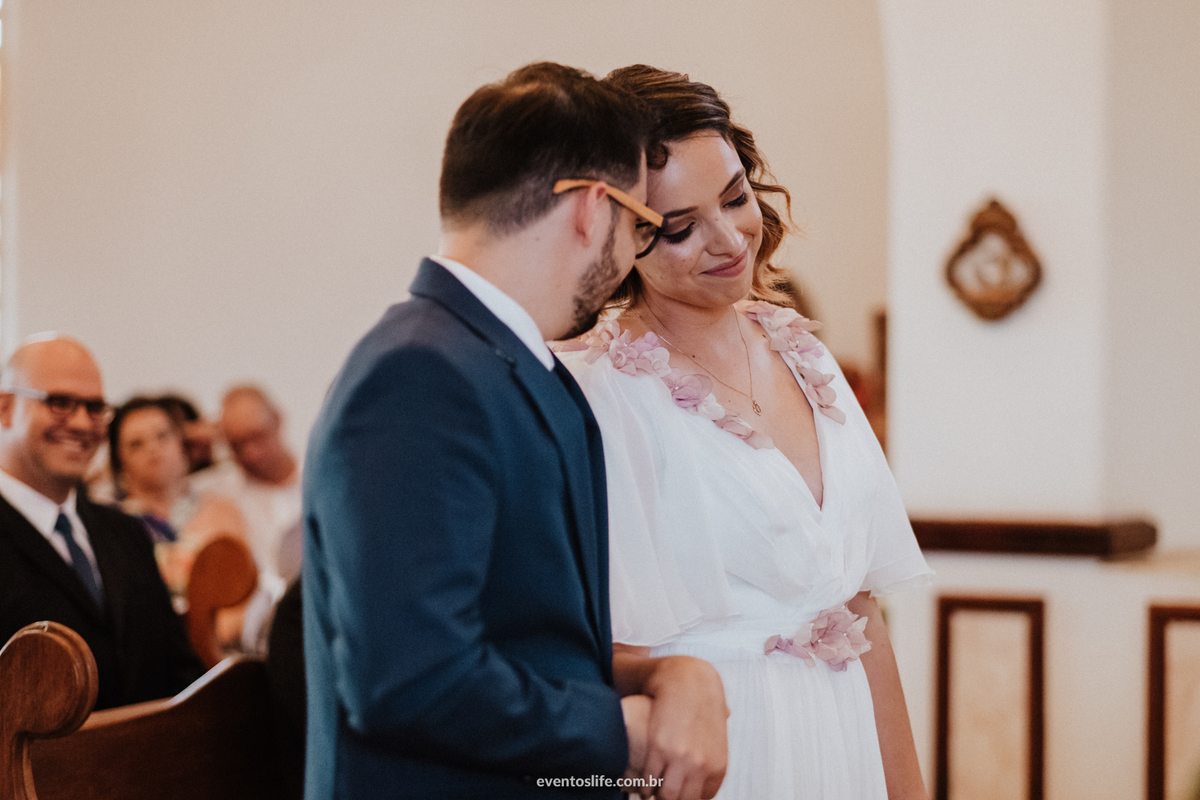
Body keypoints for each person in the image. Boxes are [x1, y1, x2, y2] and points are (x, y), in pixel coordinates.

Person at [303, 62, 728, 800]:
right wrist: (618, 733)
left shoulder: (515, 366)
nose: (631, 255)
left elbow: (532, 638)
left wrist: (666, 674)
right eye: (640, 224)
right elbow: (410, 677)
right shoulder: (418, 376)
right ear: (592, 209)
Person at [557, 65, 933, 799]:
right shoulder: (601, 393)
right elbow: (599, 649)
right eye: (680, 227)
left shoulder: (804, 354)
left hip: (843, 740)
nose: (730, 239)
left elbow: (859, 612)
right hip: (718, 750)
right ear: (618, 236)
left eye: (735, 197)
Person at [0, 335, 204, 710]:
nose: (81, 423)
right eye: (59, 403)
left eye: (94, 408)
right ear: (5, 408)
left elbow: (178, 673)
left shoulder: (126, 532)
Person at [194, 384, 302, 653]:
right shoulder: (216, 492)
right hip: (257, 637)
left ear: (278, 420)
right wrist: (187, 441)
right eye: (236, 444)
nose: (250, 453)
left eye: (257, 436)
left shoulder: (321, 479)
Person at [107, 396, 246, 601]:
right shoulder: (110, 526)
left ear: (182, 442)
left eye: (162, 436)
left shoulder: (221, 510)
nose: (152, 448)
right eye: (136, 444)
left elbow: (243, 587)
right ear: (119, 460)